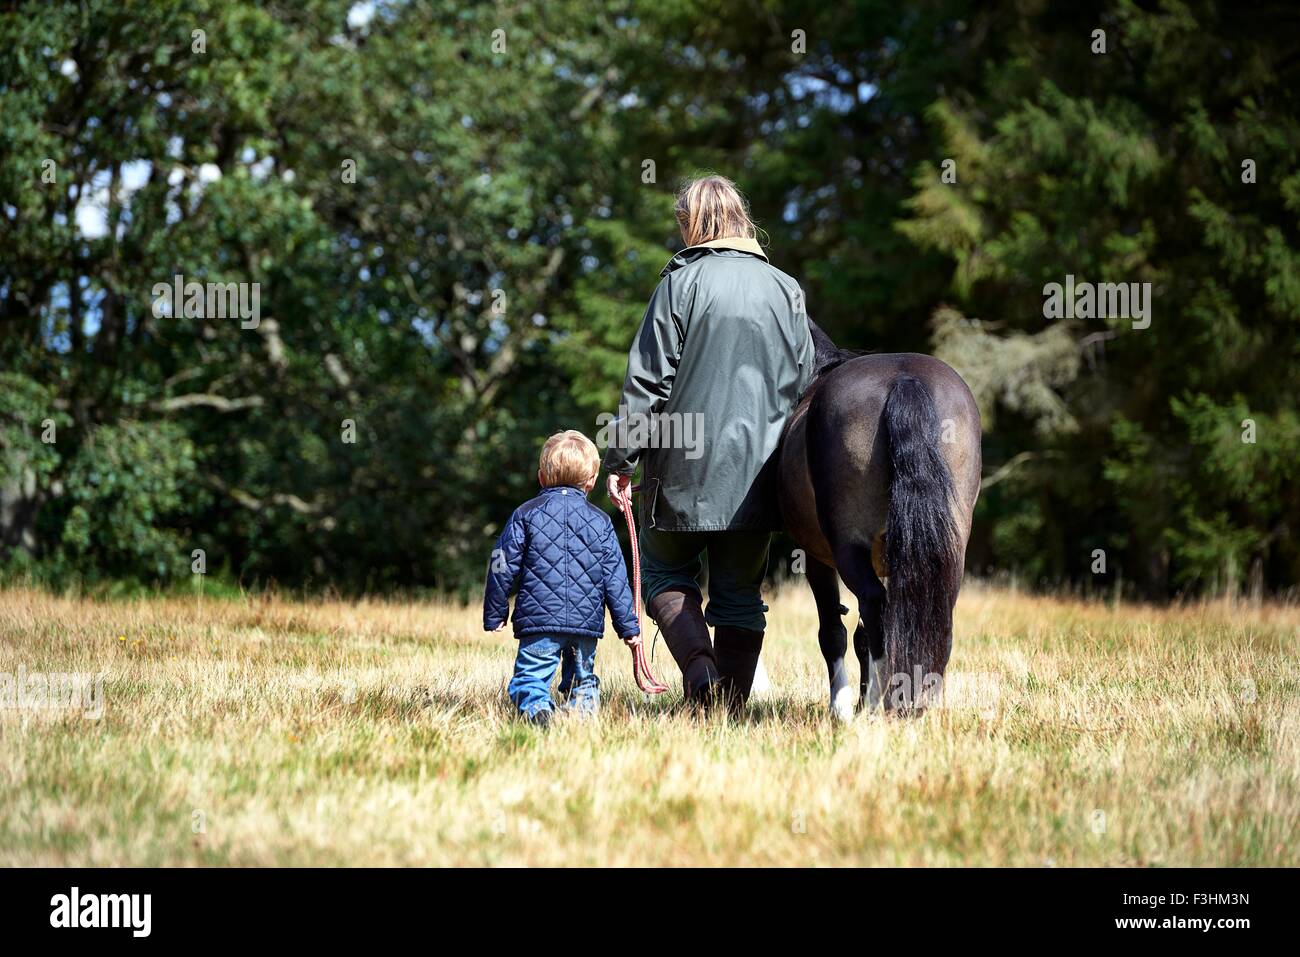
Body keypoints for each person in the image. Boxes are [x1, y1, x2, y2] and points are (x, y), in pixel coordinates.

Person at [604, 175, 814, 712]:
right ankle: (727, 711)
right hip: (761, 473)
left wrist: (621, 458)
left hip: (682, 468)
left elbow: (648, 381)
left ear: (691, 223)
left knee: (661, 572)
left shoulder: (680, 283)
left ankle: (699, 675)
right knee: (740, 596)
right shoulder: (786, 288)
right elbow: (804, 379)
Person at [484, 430, 641, 725]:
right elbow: (616, 579)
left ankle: (538, 711)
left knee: (531, 679)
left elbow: (500, 563)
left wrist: (495, 612)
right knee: (582, 683)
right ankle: (581, 724)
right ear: (591, 482)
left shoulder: (525, 514)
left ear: (541, 477)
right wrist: (628, 627)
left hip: (539, 622)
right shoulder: (601, 522)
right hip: (585, 624)